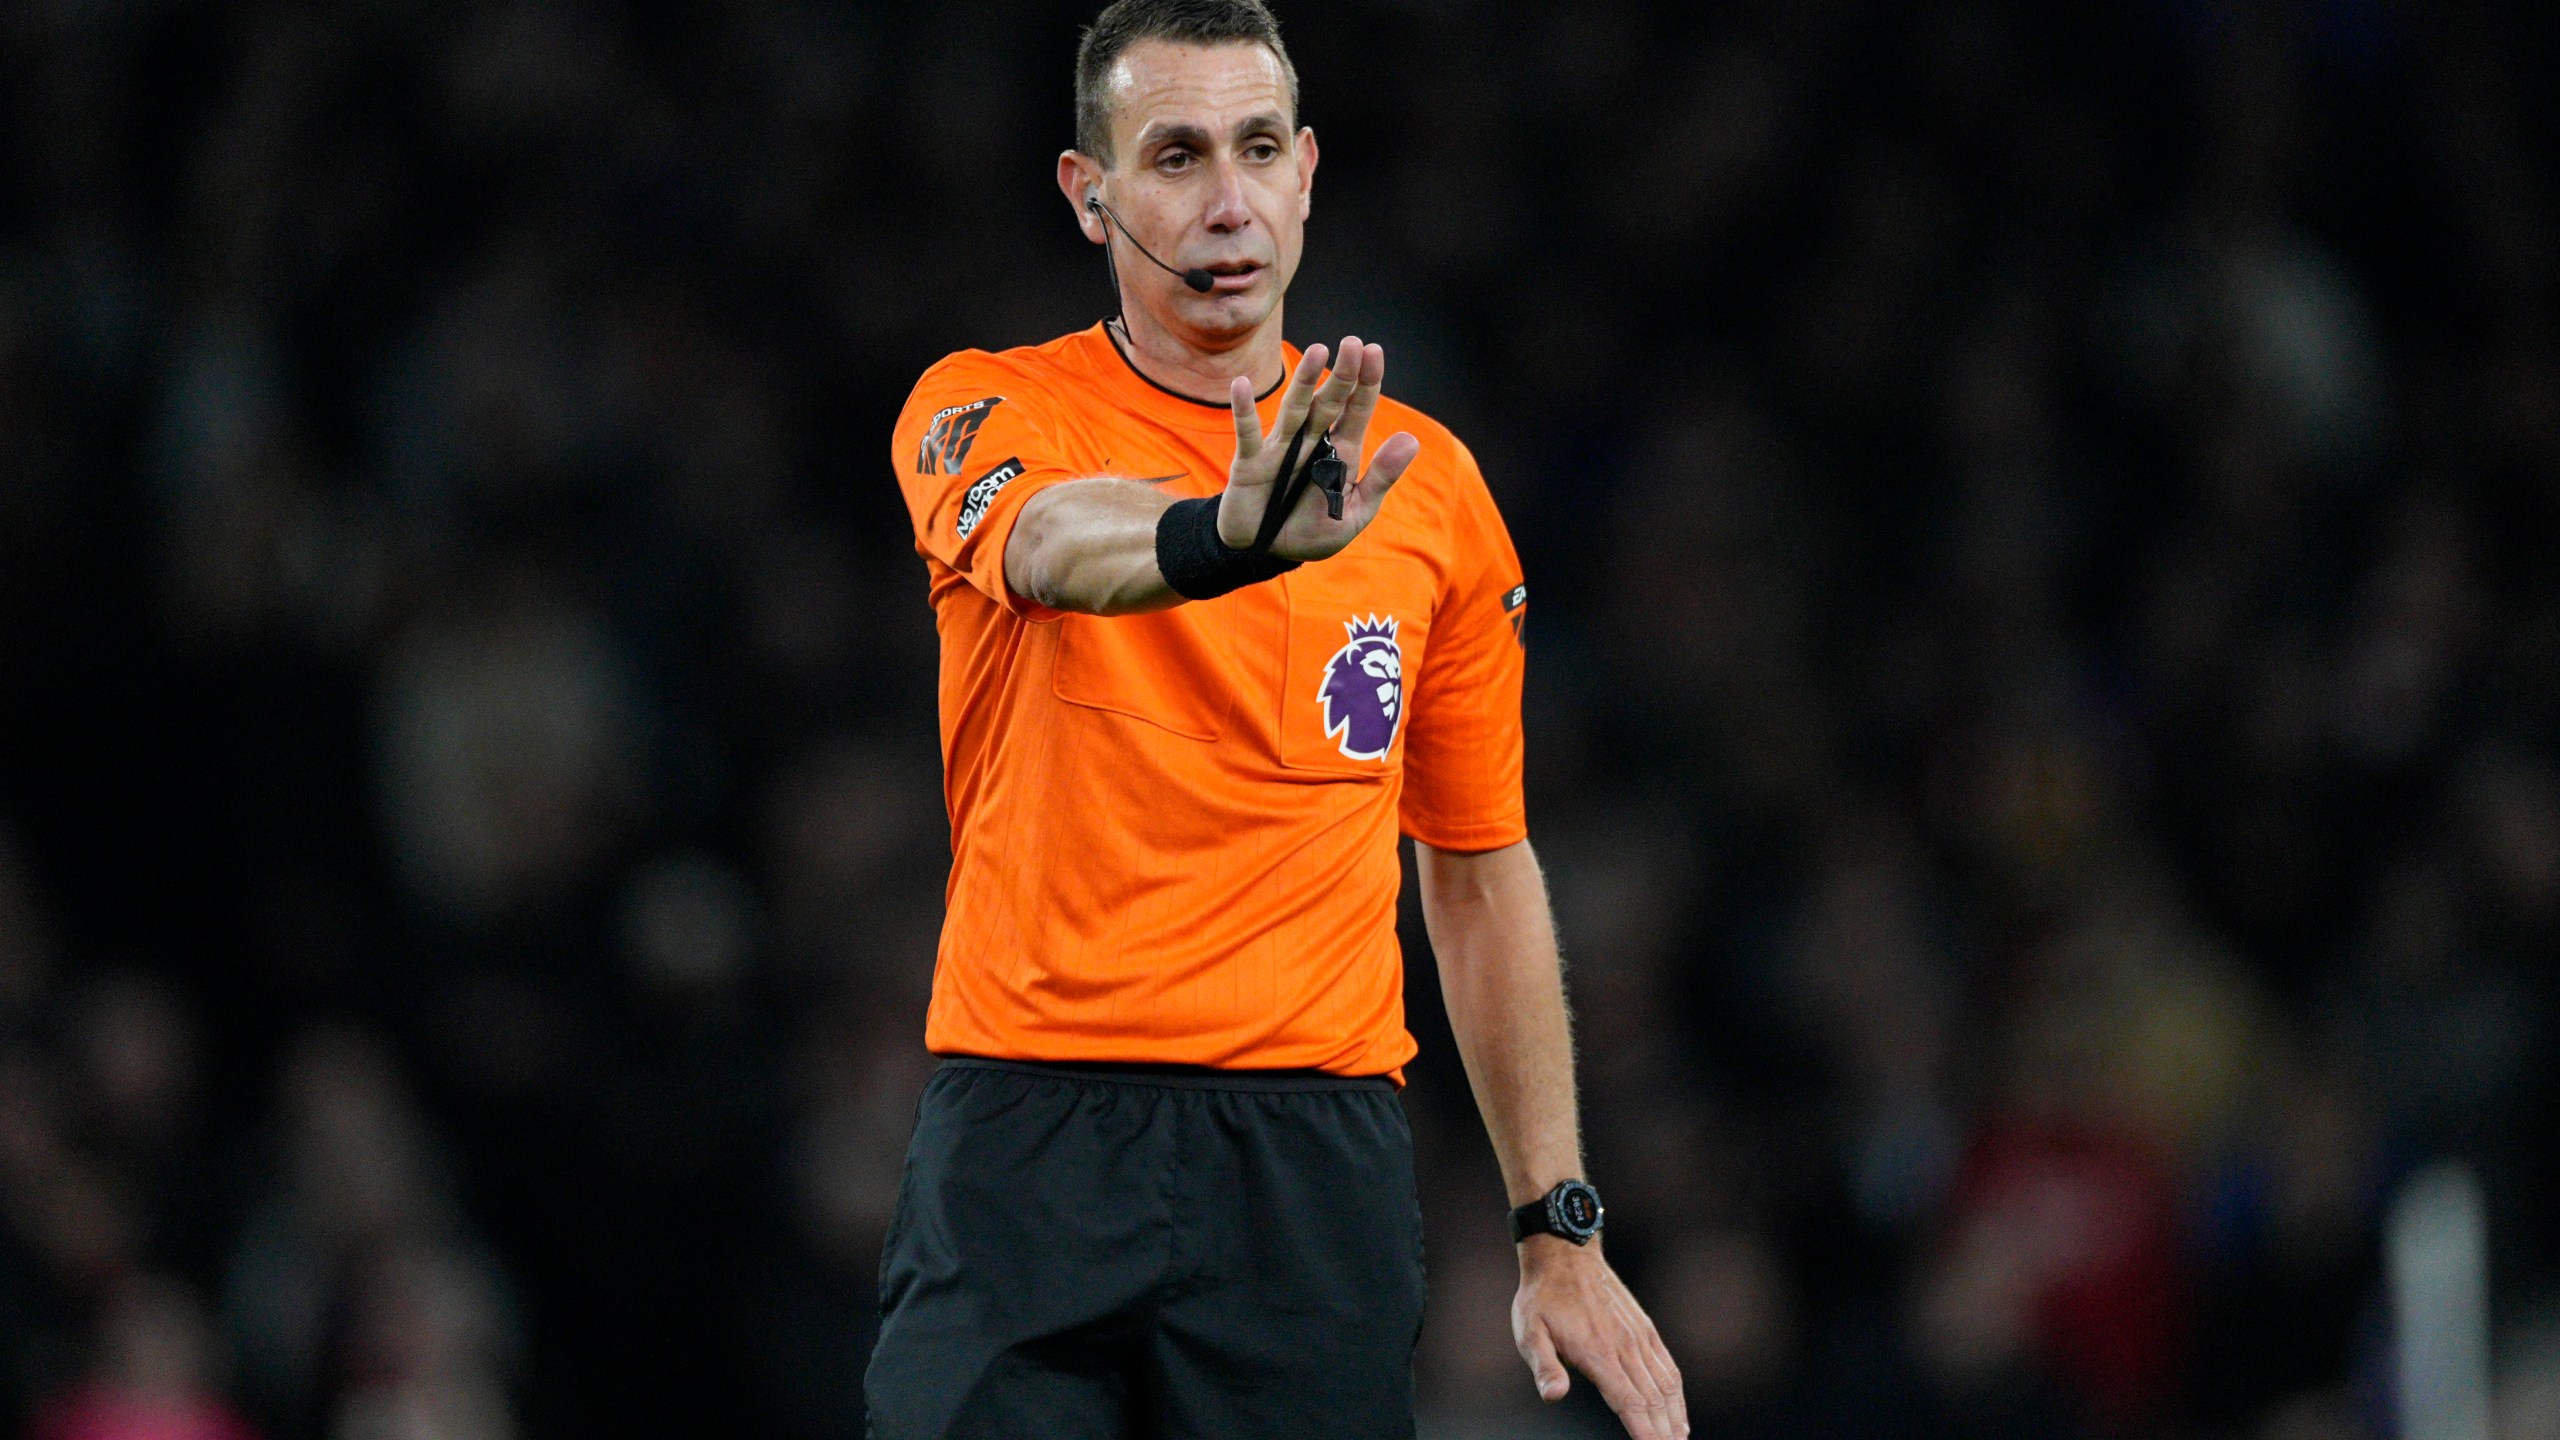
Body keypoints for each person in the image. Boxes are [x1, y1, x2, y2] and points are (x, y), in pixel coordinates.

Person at [872, 2, 1685, 1436]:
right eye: (1175, 156)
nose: (1227, 201)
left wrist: (1558, 1226)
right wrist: (1218, 538)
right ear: (1090, 193)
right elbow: (1054, 541)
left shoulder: (1426, 488)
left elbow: (1480, 865)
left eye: (1257, 149)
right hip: (1029, 1146)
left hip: (1311, 1176)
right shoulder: (986, 407)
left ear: (1309, 172)